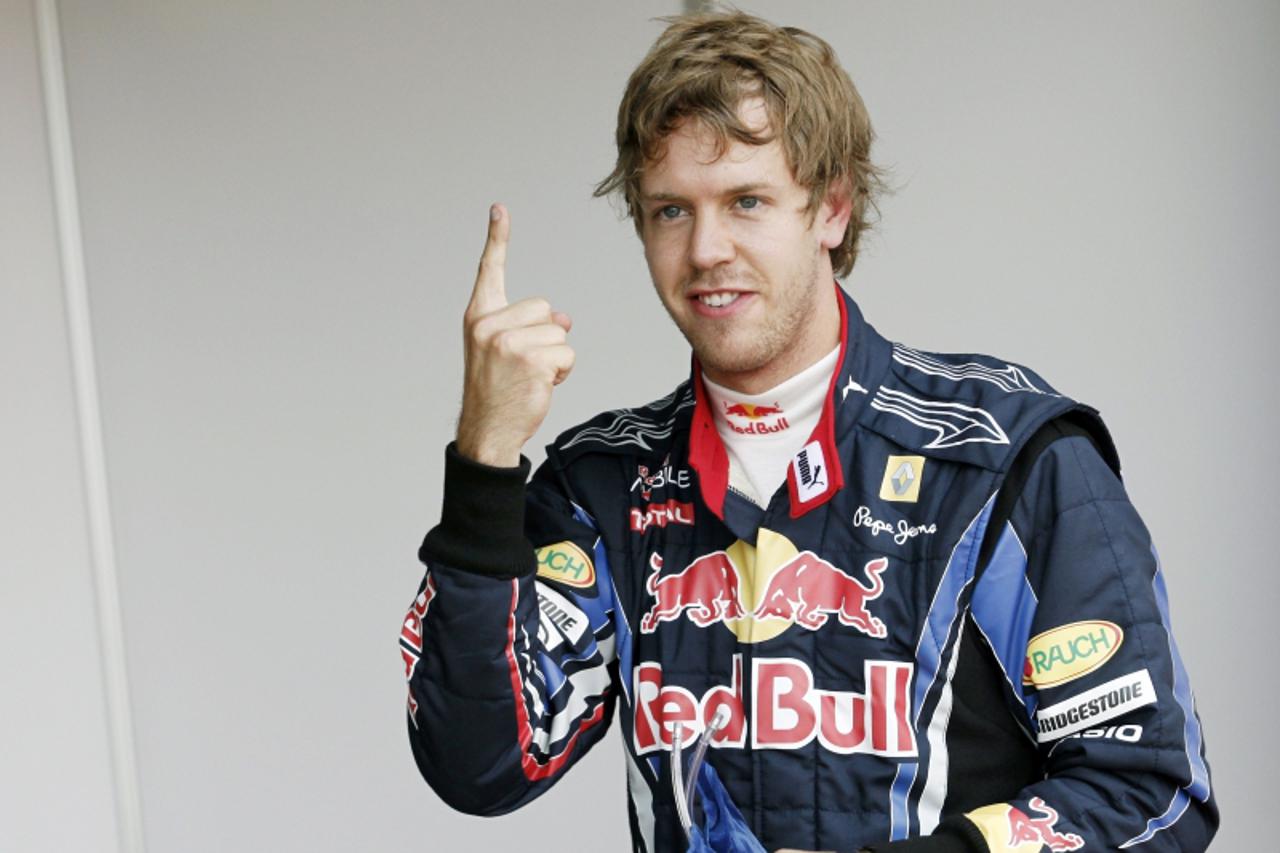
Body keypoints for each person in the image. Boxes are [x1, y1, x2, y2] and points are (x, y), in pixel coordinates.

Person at [398, 11, 1216, 852]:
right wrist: (485, 461)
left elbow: (1149, 790)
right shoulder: (600, 484)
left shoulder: (1002, 455)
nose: (706, 249)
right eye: (671, 211)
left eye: (746, 201)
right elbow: (481, 765)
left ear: (831, 206)